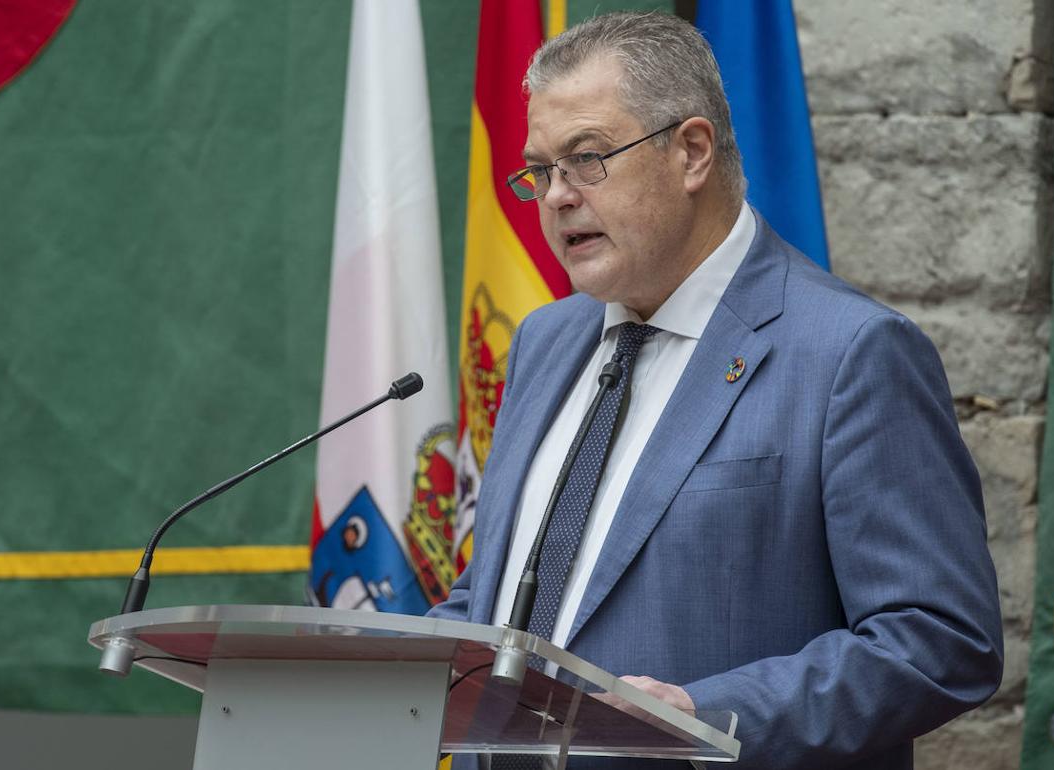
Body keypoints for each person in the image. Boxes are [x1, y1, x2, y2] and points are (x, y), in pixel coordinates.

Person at [427, 11, 1003, 769]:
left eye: (587, 158)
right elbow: (500, 600)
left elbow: (940, 639)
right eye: (540, 170)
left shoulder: (849, 354)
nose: (556, 196)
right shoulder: (545, 341)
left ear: (691, 152)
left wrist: (708, 717)